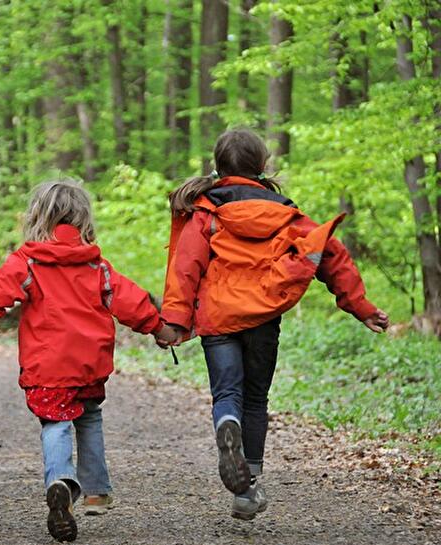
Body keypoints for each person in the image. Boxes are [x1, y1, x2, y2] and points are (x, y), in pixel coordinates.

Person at [161, 128, 389, 520]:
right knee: (256, 399)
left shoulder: (206, 213)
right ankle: (247, 487)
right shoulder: (287, 214)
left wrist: (176, 321)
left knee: (227, 395)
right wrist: (360, 305)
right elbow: (331, 253)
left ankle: (226, 426)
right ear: (263, 166)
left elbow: (185, 268)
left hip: (218, 319)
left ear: (217, 168)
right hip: (264, 319)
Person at [0, 179, 179, 542]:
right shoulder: (97, 266)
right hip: (90, 363)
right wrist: (158, 327)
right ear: (83, 221)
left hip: (48, 366)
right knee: (89, 417)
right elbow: (128, 299)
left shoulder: (26, 262)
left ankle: (60, 481)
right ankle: (95, 491)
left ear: (37, 218)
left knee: (55, 424)